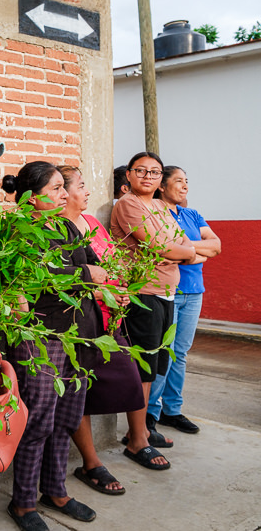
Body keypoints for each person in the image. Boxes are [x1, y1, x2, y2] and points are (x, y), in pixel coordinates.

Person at [1, 162, 103, 531]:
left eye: (64, 187)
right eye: (57, 189)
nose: (65, 195)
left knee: (67, 418)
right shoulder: (18, 233)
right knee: (40, 419)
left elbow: (92, 263)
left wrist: (105, 281)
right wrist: (85, 276)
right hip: (40, 340)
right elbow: (29, 278)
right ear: (31, 196)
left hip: (78, 338)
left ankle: (55, 490)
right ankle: (24, 503)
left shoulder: (66, 225)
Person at [57, 165, 145, 496]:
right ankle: (91, 462)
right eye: (80, 185)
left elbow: (109, 266)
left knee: (129, 381)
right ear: (62, 192)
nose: (87, 190)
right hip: (78, 325)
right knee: (79, 395)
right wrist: (97, 290)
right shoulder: (58, 230)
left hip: (110, 319)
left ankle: (139, 439)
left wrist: (119, 290)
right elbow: (62, 282)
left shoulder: (92, 224)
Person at [111, 152, 196, 471]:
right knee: (143, 369)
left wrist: (180, 252)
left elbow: (179, 242)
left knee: (157, 365)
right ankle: (136, 441)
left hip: (167, 293)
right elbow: (157, 246)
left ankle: (142, 430)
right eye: (141, 171)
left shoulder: (161, 206)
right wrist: (183, 253)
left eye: (155, 172)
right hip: (142, 294)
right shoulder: (128, 204)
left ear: (161, 179)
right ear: (129, 176)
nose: (148, 176)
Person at [148, 166, 221, 434]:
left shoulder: (192, 214)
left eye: (186, 181)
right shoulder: (155, 212)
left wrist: (185, 248)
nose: (185, 186)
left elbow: (216, 246)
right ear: (162, 186)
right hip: (168, 290)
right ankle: (149, 415)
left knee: (180, 354)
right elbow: (164, 246)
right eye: (178, 181)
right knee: (162, 353)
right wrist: (194, 248)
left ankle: (172, 410)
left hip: (194, 291)